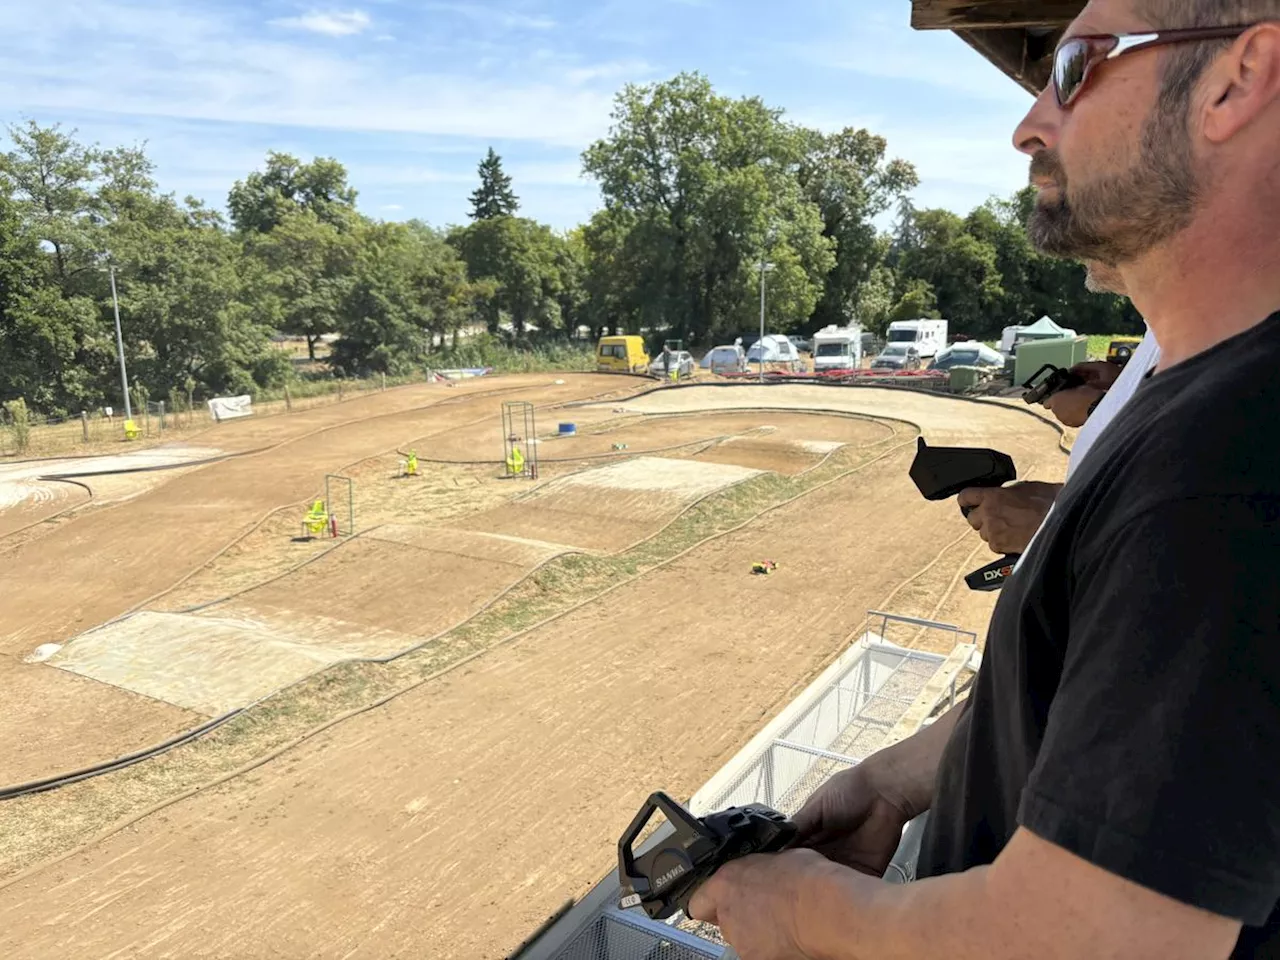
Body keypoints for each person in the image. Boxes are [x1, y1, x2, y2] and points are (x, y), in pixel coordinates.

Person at [687, 2, 1280, 958]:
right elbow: (1095, 697)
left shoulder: (1232, 459)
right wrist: (895, 780)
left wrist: (796, 908)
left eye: (1079, 66)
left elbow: (1098, 942)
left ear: (1238, 79)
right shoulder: (1196, 396)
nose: (1029, 122)